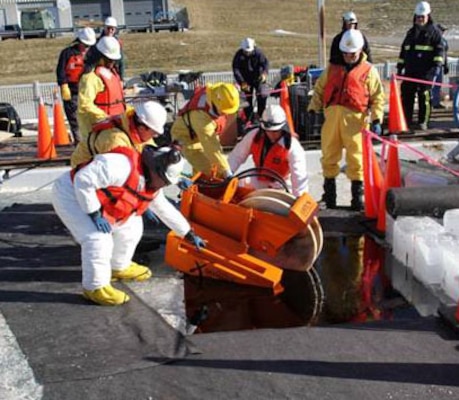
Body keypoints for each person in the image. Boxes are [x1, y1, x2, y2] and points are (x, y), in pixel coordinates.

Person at [52, 144, 206, 306]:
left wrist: (188, 233)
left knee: (132, 227)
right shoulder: (119, 166)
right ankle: (95, 287)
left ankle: (118, 266)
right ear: (156, 169)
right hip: (71, 195)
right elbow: (83, 180)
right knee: (97, 238)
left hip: (99, 199)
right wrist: (94, 214)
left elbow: (164, 209)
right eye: (165, 181)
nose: (164, 186)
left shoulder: (151, 182)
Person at [308, 29, 385, 211]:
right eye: (345, 54)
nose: (348, 57)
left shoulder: (369, 71)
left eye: (352, 54)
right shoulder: (332, 68)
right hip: (332, 119)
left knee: (356, 158)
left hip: (356, 122)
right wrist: (313, 108)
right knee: (329, 155)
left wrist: (377, 119)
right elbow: (319, 89)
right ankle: (329, 195)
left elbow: (377, 97)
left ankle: (357, 198)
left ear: (360, 51)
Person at [228, 104, 309, 196]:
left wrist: (299, 197)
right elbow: (236, 156)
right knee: (238, 183)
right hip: (258, 178)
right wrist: (227, 175)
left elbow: (299, 175)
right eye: (268, 130)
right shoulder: (253, 136)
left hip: (281, 184)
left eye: (275, 131)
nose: (271, 134)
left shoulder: (293, 146)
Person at [170, 82, 239, 179]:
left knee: (204, 170)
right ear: (214, 103)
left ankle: (195, 187)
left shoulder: (216, 94)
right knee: (211, 171)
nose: (225, 114)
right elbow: (211, 146)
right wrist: (226, 171)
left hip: (200, 135)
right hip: (187, 139)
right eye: (223, 111)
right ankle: (195, 189)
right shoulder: (201, 117)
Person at [71, 100, 166, 168]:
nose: (154, 137)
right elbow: (121, 171)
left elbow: (148, 147)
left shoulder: (135, 126)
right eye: (154, 133)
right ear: (142, 128)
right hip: (82, 171)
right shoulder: (115, 140)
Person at [396, 1, 444, 130]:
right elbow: (403, 50)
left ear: (428, 16)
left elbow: (439, 50)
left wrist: (437, 66)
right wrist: (400, 67)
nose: (420, 19)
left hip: (426, 72)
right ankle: (406, 119)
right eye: (418, 17)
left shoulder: (434, 32)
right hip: (411, 71)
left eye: (422, 17)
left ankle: (423, 121)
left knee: (424, 97)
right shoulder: (411, 33)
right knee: (406, 95)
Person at [77, 36, 126, 139]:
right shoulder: (90, 78)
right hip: (96, 130)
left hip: (113, 126)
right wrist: (105, 117)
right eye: (109, 60)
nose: (112, 63)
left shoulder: (111, 73)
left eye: (114, 60)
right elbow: (85, 105)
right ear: (100, 57)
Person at [56, 27, 96, 144]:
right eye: (85, 45)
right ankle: (80, 146)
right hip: (72, 92)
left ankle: (93, 145)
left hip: (89, 93)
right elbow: (60, 71)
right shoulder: (67, 53)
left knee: (91, 121)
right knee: (75, 122)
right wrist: (63, 85)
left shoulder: (94, 54)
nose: (87, 47)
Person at [232, 37, 269, 121]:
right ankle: (250, 118)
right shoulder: (238, 56)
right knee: (246, 100)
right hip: (245, 81)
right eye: (246, 51)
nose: (247, 53)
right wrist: (242, 82)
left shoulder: (259, 53)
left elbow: (265, 64)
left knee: (262, 95)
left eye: (249, 51)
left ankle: (261, 115)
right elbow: (236, 70)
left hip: (258, 78)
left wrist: (264, 74)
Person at [86, 16, 125, 81]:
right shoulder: (97, 42)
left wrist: (121, 78)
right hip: (99, 74)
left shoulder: (117, 43)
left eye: (112, 29)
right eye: (108, 28)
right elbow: (90, 60)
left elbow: (121, 62)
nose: (110, 31)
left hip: (112, 72)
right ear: (104, 28)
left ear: (115, 30)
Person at [432, 24, 449, 109]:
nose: (443, 32)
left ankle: (436, 102)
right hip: (433, 65)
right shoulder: (432, 40)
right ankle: (431, 102)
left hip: (440, 66)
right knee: (431, 84)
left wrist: (446, 65)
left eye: (443, 31)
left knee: (438, 85)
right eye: (442, 30)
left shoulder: (444, 41)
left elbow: (445, 54)